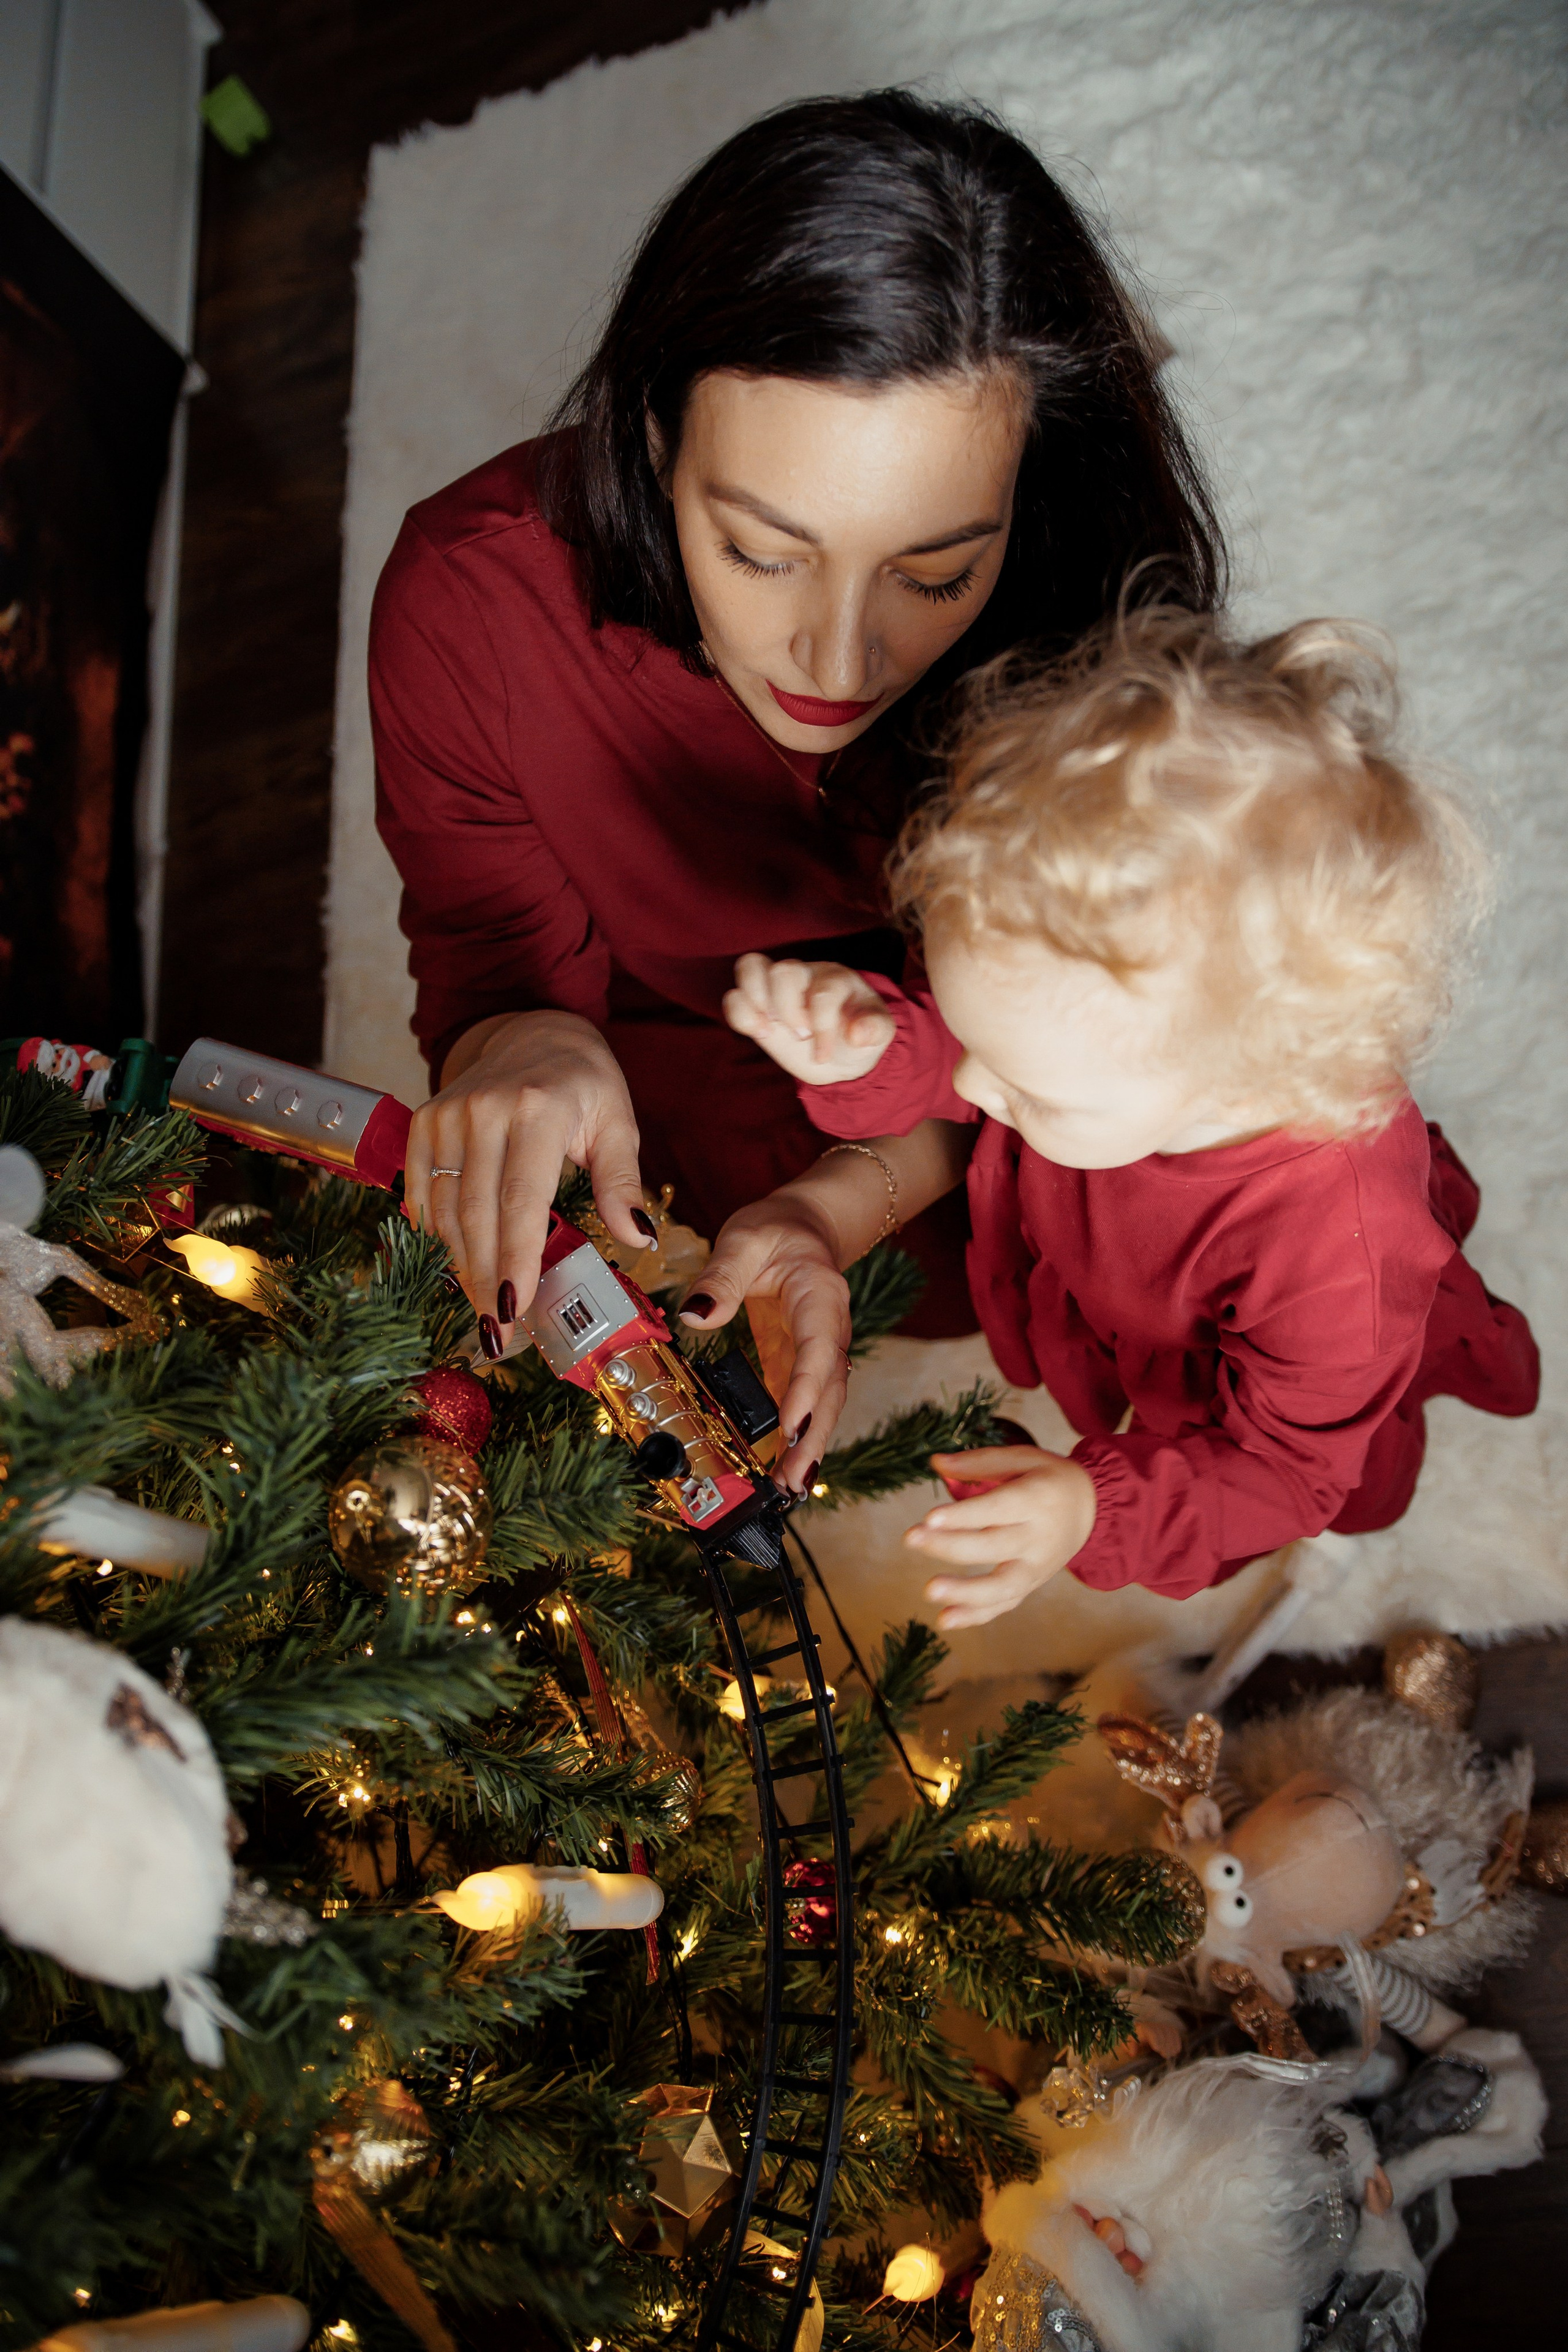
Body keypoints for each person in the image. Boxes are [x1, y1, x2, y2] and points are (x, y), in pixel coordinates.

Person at [371, 88, 1224, 1484]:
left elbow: (1082, 1050)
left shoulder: (1104, 641)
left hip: (1004, 1136)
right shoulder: (471, 601)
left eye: (935, 571)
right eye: (762, 552)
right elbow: (486, 949)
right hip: (696, 1122)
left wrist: (846, 1202)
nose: (836, 662)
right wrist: (520, 1043)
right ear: (652, 441)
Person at [714, 609, 1539, 1624]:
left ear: (1242, 1083)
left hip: (1250, 1380)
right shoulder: (1085, 1036)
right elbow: (981, 1057)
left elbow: (1283, 1470)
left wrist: (1091, 1510)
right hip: (1115, 1269)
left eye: (1030, 1091)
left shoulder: (1336, 1261)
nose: (973, 1095)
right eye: (984, 1047)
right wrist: (875, 1047)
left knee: (1288, 1484)